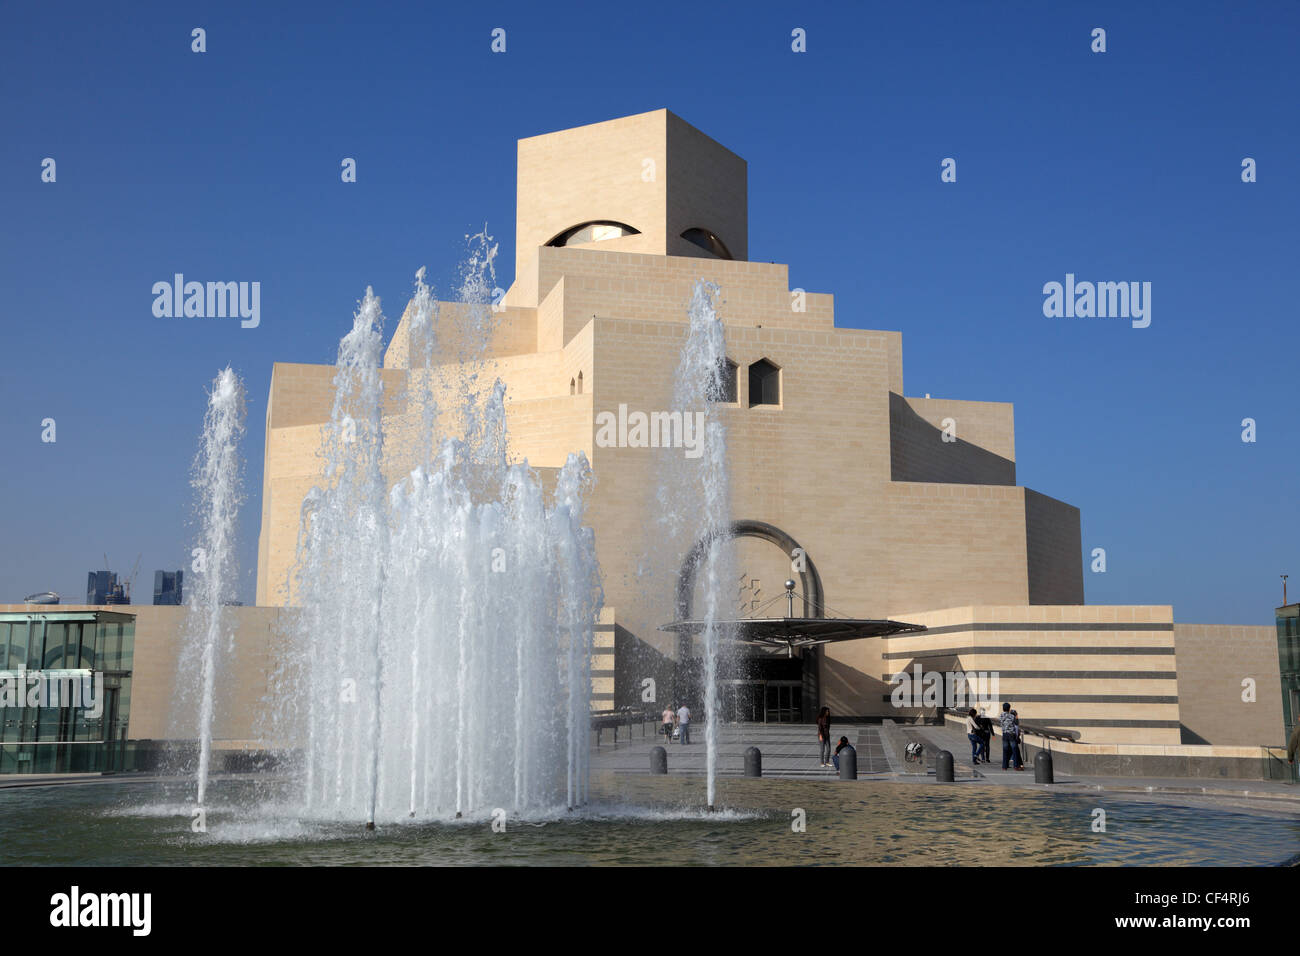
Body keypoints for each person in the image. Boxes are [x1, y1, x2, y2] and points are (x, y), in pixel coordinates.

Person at [999, 702, 1023, 770]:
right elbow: (1016, 724)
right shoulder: (1012, 716)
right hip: (1011, 734)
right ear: (1009, 708)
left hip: (1004, 734)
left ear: (1003, 708)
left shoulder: (1000, 716)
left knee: (1005, 750)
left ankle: (1004, 766)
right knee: (1014, 749)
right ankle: (1016, 766)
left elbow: (1001, 723)